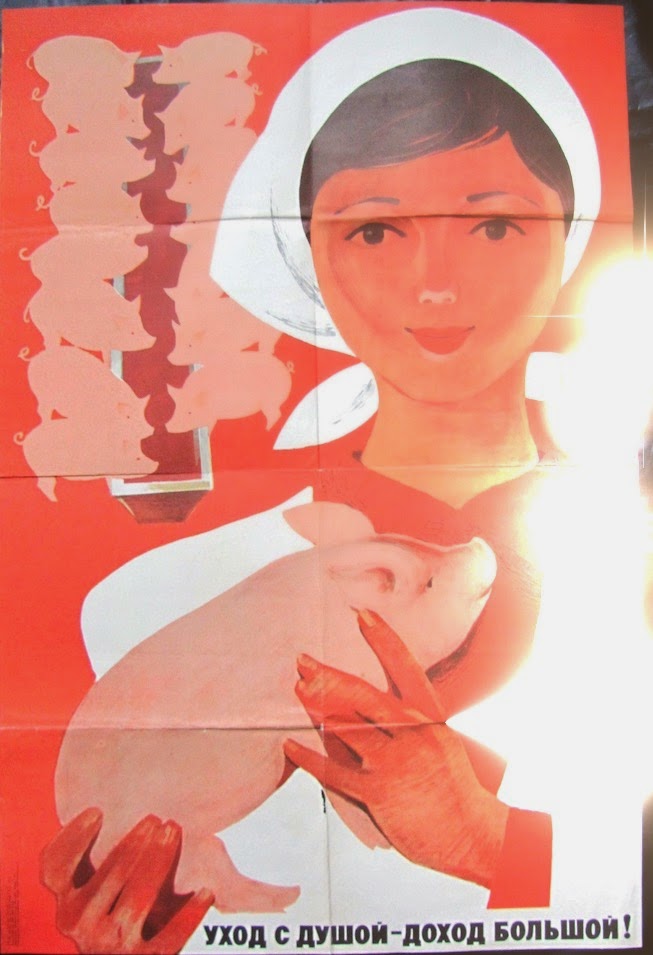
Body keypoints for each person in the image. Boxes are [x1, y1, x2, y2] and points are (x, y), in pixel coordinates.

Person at [42, 8, 639, 953]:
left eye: (494, 224)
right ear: (307, 253)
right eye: (374, 230)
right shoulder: (146, 603)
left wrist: (488, 842)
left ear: (569, 239)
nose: (435, 282)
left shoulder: (629, 547)